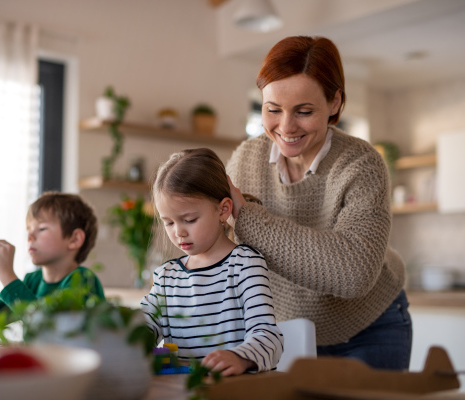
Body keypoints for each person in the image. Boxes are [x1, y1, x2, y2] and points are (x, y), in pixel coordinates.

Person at [226, 36, 412, 370]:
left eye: (304, 111)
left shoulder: (361, 164)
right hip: (287, 333)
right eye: (273, 109)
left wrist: (247, 218)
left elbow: (354, 273)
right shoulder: (244, 161)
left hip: (369, 329)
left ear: (335, 103)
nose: (285, 127)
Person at [141, 148, 283, 376]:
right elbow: (144, 323)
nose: (179, 232)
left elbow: (267, 337)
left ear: (223, 210)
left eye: (189, 219)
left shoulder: (245, 264)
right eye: (168, 222)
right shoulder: (167, 277)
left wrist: (240, 357)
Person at [0, 191, 105, 334]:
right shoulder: (32, 281)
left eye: (42, 228)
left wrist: (7, 275)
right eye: (28, 230)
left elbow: (52, 331)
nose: (30, 237)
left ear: (74, 239)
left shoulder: (84, 280)